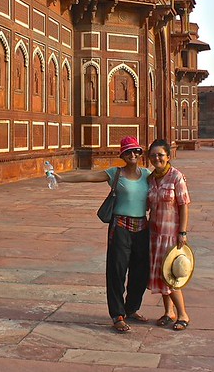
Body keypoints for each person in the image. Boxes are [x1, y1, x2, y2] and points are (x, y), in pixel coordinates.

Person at [55, 136, 151, 332]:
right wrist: (62, 177)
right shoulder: (116, 174)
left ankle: (131, 308)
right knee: (117, 271)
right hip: (120, 226)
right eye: (128, 152)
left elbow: (169, 180)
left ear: (140, 154)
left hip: (142, 227)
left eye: (136, 151)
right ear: (122, 155)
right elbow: (89, 177)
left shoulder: (148, 175)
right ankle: (117, 314)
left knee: (141, 272)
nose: (132, 154)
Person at [146, 139, 192, 331]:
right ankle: (168, 312)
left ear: (168, 156)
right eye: (154, 155)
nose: (157, 158)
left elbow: (184, 205)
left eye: (161, 155)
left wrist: (182, 232)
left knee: (171, 276)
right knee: (162, 274)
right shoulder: (150, 179)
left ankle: (183, 315)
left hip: (171, 235)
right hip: (155, 233)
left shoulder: (176, 177)